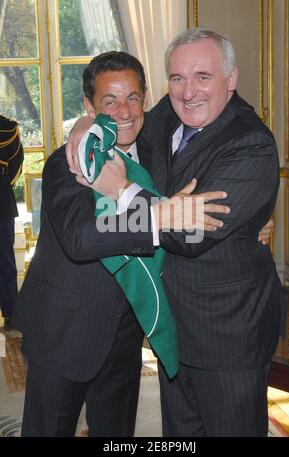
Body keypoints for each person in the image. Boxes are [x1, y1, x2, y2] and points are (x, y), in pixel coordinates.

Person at [67, 28, 282, 437]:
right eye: (178, 78)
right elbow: (123, 118)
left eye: (203, 76)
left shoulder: (251, 143)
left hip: (227, 335)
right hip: (172, 329)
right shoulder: (170, 111)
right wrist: (85, 123)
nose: (188, 91)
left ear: (231, 80)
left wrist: (122, 190)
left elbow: (189, 236)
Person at [12, 51, 229, 437]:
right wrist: (159, 217)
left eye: (132, 98)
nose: (124, 111)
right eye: (109, 101)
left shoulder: (155, 152)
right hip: (63, 330)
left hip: (125, 334)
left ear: (145, 98)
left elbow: (192, 203)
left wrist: (248, 224)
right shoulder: (70, 162)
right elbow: (81, 239)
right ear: (90, 105)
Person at [0, 115, 24, 331]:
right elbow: (15, 167)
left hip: (2, 201)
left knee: (5, 259)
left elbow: (16, 164)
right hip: (2, 196)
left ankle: (10, 311)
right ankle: (10, 311)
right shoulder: (8, 128)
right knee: (5, 259)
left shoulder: (8, 127)